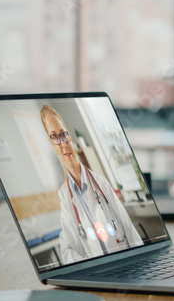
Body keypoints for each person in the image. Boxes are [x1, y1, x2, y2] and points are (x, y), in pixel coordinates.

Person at [41, 104, 143, 264]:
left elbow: (128, 230)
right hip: (97, 275)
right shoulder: (65, 195)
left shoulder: (101, 183)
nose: (62, 143)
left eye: (63, 134)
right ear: (52, 144)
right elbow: (69, 249)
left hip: (124, 266)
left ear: (70, 137)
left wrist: (142, 264)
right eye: (54, 137)